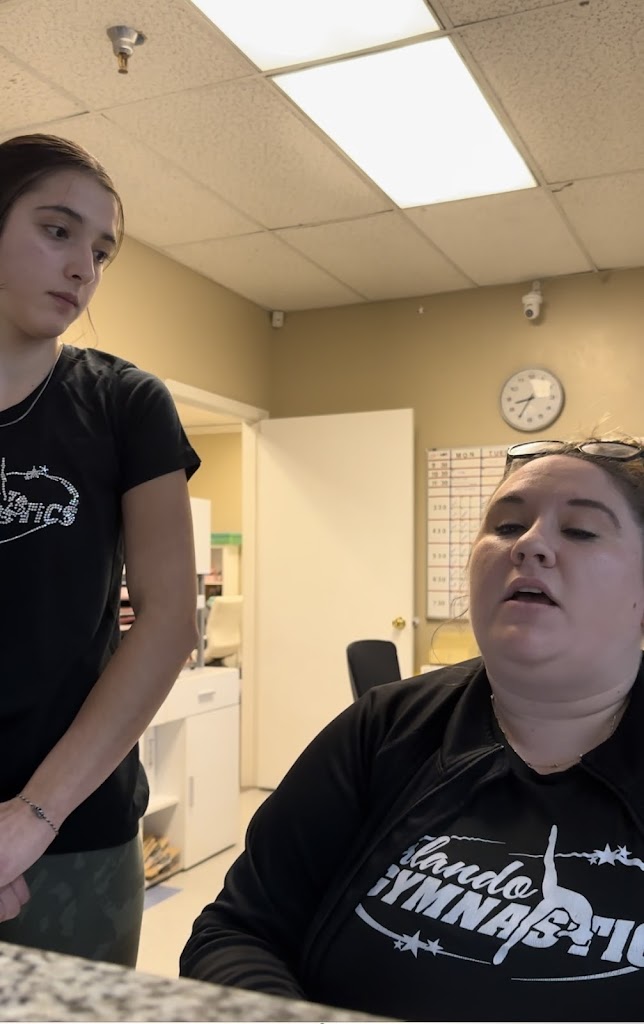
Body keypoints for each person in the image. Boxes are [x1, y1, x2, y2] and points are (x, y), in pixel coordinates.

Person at [180, 437, 644, 1020]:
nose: (528, 544)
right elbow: (236, 932)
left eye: (580, 530)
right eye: (506, 526)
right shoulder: (382, 728)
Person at [0, 134, 200, 965]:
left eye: (102, 250)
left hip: (73, 831)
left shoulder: (125, 404)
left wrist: (30, 818)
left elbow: (169, 618)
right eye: (57, 230)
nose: (83, 267)